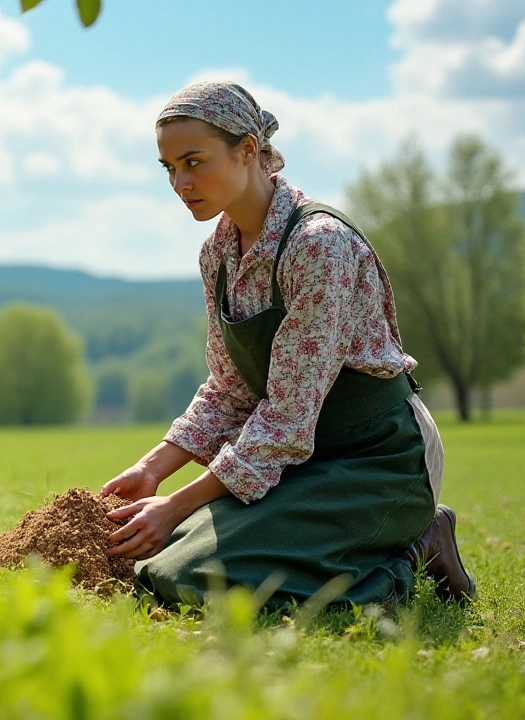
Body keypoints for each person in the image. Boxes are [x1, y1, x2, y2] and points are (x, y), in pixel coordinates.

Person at [101, 81, 475, 611]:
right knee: (154, 564)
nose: (180, 183)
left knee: (191, 577)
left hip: (376, 456)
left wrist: (175, 504)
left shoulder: (319, 246)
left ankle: (415, 547)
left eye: (194, 161)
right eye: (168, 168)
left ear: (248, 150)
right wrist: (152, 469)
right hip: (291, 459)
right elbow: (229, 391)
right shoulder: (218, 255)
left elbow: (286, 417)